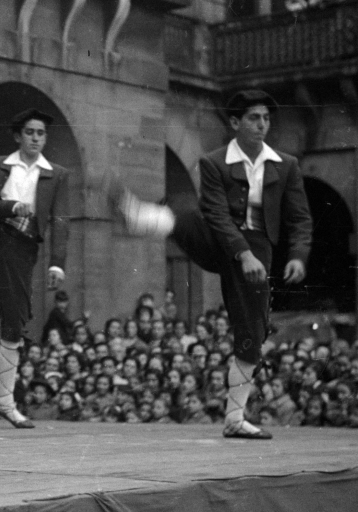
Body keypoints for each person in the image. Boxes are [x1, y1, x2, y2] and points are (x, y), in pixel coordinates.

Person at [111, 90, 312, 439]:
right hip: (221, 239)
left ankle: (235, 418)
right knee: (189, 213)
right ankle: (139, 216)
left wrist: (298, 255)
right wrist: (242, 253)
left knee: (253, 330)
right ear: (235, 123)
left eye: (266, 118)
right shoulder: (214, 162)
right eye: (253, 118)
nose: (262, 124)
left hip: (259, 246)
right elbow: (217, 215)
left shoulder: (286, 164)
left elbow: (300, 218)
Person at [0, 107, 70, 430]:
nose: (36, 138)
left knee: (16, 316)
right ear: (18, 135)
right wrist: (11, 207)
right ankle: (5, 401)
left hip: (23, 245)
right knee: (15, 316)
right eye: (30, 132)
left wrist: (58, 264)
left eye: (41, 133)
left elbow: (60, 221)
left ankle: (4, 400)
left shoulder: (56, 174)